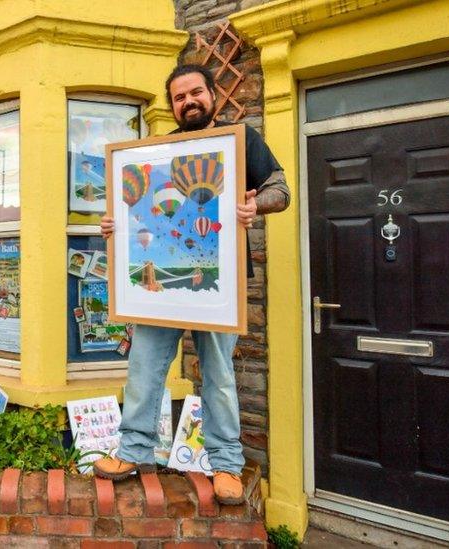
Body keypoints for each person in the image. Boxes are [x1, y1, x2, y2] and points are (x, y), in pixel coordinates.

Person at [95, 65, 290, 504]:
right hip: (158, 286)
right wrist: (117, 226)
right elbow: (141, 214)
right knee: (144, 369)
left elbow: (282, 189)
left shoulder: (240, 141)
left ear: (213, 95)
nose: (189, 102)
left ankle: (226, 464)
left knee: (218, 376)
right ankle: (132, 452)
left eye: (196, 93)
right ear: (173, 106)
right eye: (180, 97)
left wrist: (255, 205)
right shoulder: (158, 152)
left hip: (217, 290)